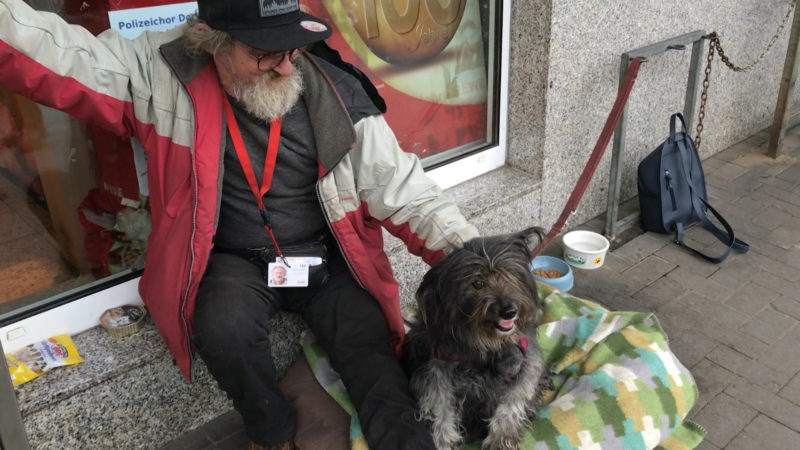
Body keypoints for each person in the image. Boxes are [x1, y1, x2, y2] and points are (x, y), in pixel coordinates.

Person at [0, 0, 479, 449]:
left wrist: (480, 263)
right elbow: (59, 55)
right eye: (265, 54)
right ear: (211, 40)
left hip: (322, 255)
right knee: (222, 328)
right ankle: (272, 432)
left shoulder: (336, 89)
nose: (287, 66)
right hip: (236, 259)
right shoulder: (161, 74)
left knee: (370, 350)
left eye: (292, 49)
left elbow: (407, 192)